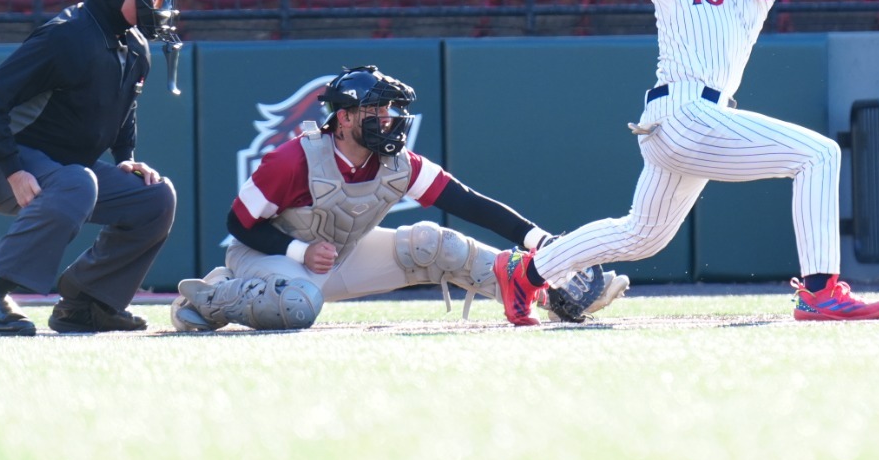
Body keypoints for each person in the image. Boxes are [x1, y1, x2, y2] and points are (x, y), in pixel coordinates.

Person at [451, 0, 879, 324]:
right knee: (819, 155)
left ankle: (525, 273)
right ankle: (820, 291)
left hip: (694, 119)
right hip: (683, 112)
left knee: (642, 235)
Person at [171, 65, 626, 331]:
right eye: (374, 111)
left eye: (389, 112)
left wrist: (542, 244)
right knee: (299, 306)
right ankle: (211, 297)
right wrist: (300, 250)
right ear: (344, 119)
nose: (387, 121)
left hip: (336, 257)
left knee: (434, 243)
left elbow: (469, 202)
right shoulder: (295, 160)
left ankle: (548, 293)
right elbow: (238, 225)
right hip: (268, 259)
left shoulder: (399, 162)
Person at [0, 0, 184, 338]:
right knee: (77, 182)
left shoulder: (135, 45)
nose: (160, 1)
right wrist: (13, 170)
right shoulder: (67, 36)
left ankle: (86, 303)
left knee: (155, 196)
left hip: (62, 170)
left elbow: (124, 109)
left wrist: (126, 157)